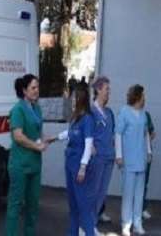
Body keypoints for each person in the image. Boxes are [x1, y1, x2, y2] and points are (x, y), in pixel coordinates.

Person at [6, 74, 53, 236]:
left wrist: (48, 139)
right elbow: (18, 136)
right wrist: (36, 146)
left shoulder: (37, 108)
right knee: (15, 205)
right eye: (33, 88)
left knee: (33, 206)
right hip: (19, 165)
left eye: (37, 87)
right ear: (24, 90)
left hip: (35, 164)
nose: (36, 90)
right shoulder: (18, 110)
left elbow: (38, 132)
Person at [58, 86, 97, 236]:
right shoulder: (75, 118)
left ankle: (89, 233)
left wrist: (82, 167)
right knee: (73, 205)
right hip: (70, 163)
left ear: (82, 99)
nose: (72, 101)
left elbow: (88, 145)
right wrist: (53, 138)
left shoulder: (87, 119)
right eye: (72, 98)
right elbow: (69, 133)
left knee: (83, 206)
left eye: (75, 98)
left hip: (78, 166)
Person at [116, 84, 152, 236]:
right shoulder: (124, 112)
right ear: (137, 96)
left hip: (141, 159)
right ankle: (126, 224)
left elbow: (146, 134)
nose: (145, 98)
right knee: (128, 194)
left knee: (139, 194)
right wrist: (119, 155)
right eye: (143, 95)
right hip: (128, 160)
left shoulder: (143, 114)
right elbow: (118, 134)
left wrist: (149, 151)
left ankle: (138, 223)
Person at [90, 76, 116, 226]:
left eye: (109, 90)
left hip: (109, 158)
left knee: (101, 194)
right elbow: (84, 134)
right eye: (107, 89)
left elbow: (113, 134)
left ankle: (92, 225)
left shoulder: (109, 112)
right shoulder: (90, 112)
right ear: (98, 90)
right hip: (97, 159)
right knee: (93, 193)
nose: (108, 93)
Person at [142, 109, 156, 220]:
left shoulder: (146, 115)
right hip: (132, 154)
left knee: (144, 182)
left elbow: (153, 133)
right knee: (130, 184)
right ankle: (130, 210)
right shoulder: (125, 114)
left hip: (145, 153)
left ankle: (142, 208)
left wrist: (146, 140)